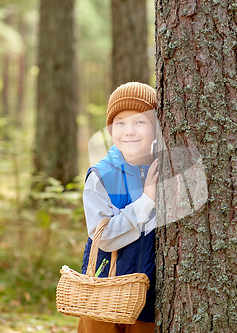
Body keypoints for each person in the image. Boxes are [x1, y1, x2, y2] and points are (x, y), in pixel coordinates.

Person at [78, 82, 159, 333]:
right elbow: (104, 238)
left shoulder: (165, 169)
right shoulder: (101, 176)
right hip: (104, 295)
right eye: (120, 123)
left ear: (156, 127)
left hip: (149, 299)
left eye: (140, 122)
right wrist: (147, 200)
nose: (129, 131)